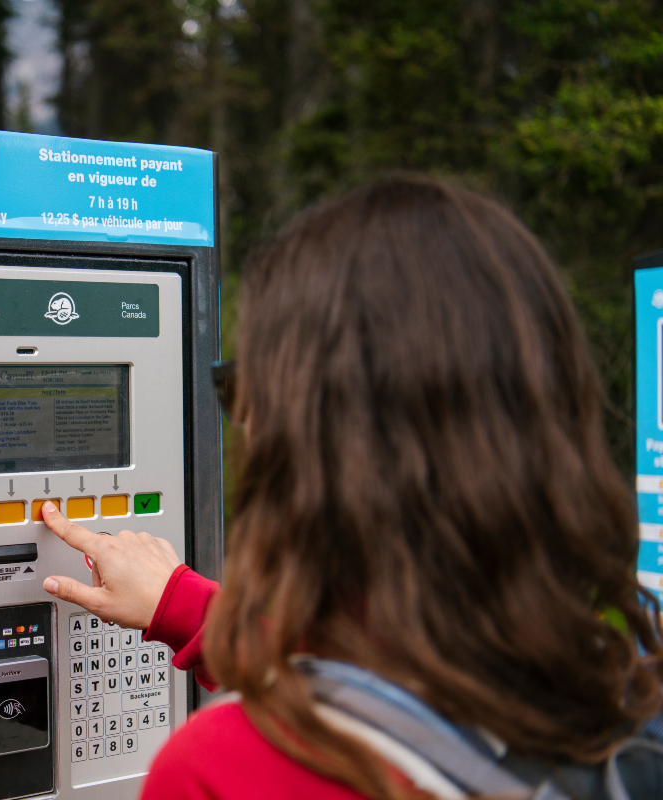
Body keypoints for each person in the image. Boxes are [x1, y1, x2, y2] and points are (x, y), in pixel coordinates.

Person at [37, 175, 663, 800]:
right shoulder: (624, 695)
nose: (245, 419)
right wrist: (187, 608)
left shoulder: (222, 772)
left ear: (313, 433)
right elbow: (391, 666)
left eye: (247, 389)